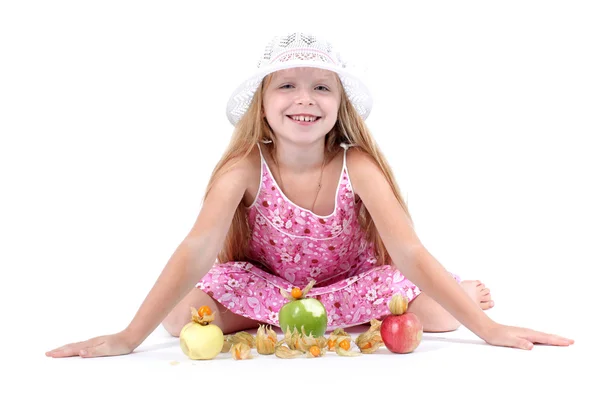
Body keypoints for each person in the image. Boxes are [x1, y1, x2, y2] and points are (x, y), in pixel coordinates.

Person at [46, 32, 573, 358]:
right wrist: (127, 336)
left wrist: (489, 329)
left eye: (321, 87)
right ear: (263, 103)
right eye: (287, 86)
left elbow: (408, 250)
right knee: (179, 318)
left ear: (339, 103)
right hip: (274, 288)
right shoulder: (244, 167)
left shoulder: (357, 164)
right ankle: (322, 318)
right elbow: (197, 248)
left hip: (352, 282)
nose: (305, 99)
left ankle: (391, 307)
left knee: (441, 317)